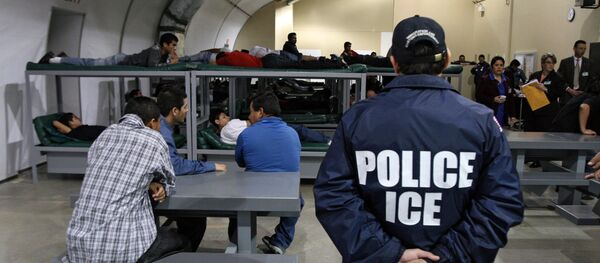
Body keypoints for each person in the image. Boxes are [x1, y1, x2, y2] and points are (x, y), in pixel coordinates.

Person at [314, 15, 523, 263]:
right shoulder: (482, 121)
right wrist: (446, 255)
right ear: (447, 59)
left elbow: (334, 195)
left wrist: (389, 253)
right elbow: (501, 201)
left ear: (393, 62)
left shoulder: (357, 119)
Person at [62, 97, 187, 262]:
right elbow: (170, 182)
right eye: (158, 125)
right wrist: (160, 185)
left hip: (78, 247)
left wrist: (148, 182)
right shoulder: (154, 139)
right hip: (122, 250)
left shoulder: (105, 135)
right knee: (183, 241)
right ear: (152, 123)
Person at [233, 92, 303, 255]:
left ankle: (239, 241)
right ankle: (280, 241)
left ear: (261, 112)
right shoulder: (293, 134)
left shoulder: (246, 135)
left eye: (251, 112)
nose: (250, 116)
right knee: (298, 199)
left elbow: (240, 162)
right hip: (288, 197)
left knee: (234, 201)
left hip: (253, 195)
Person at [157, 86, 227, 175]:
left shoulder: (162, 125)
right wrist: (211, 166)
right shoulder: (163, 133)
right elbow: (175, 166)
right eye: (185, 107)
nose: (187, 110)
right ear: (175, 111)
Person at [40, 33, 180, 67]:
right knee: (89, 63)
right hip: (119, 60)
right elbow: (153, 66)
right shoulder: (155, 50)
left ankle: (64, 59)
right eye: (173, 45)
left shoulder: (161, 51)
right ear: (165, 44)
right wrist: (171, 63)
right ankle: (54, 59)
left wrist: (169, 59)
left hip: (123, 59)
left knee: (88, 62)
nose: (174, 48)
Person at [209, 109, 330, 145]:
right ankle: (328, 141)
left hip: (263, 138)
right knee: (300, 130)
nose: (228, 117)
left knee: (299, 134)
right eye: (224, 117)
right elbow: (253, 122)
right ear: (217, 121)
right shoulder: (232, 124)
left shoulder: (222, 137)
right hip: (267, 132)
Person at [524, 53, 566, 132]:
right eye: (548, 62)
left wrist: (545, 89)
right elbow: (529, 87)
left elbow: (560, 93)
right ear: (543, 64)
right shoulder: (534, 75)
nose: (551, 65)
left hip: (548, 111)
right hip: (533, 109)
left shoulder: (557, 77)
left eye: (553, 63)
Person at [475, 56, 517, 126]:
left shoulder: (507, 80)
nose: (499, 67)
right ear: (492, 67)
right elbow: (478, 96)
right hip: (489, 113)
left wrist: (512, 115)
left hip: (503, 113)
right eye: (496, 65)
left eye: (501, 65)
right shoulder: (485, 80)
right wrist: (493, 99)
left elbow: (510, 98)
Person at [557, 40, 595, 106]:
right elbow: (559, 79)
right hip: (567, 94)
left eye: (584, 49)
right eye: (580, 48)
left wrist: (583, 92)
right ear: (574, 48)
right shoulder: (565, 62)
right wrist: (570, 90)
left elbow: (591, 80)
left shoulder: (589, 63)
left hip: (582, 95)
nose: (583, 51)